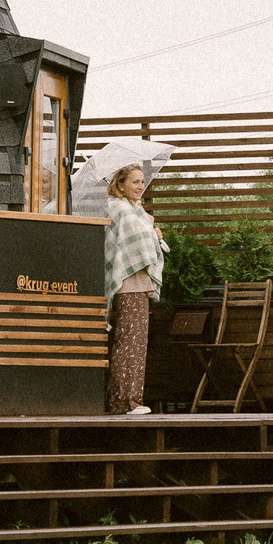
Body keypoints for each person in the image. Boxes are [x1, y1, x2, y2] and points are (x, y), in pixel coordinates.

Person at [102, 163, 166, 415]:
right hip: (127, 283)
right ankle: (125, 401)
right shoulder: (119, 208)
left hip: (138, 282)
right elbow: (134, 243)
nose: (141, 186)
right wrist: (152, 234)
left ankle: (129, 399)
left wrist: (151, 231)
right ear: (120, 184)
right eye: (135, 182)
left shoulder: (134, 209)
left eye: (142, 182)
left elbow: (142, 237)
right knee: (130, 341)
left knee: (136, 342)